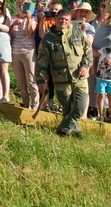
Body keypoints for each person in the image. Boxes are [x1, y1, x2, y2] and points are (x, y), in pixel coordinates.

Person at [36, 9, 92, 138]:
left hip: (80, 77)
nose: (63, 21)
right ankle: (76, 131)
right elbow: (42, 61)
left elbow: (88, 50)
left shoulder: (78, 32)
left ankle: (63, 130)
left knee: (80, 106)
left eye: (66, 19)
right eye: (60, 19)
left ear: (70, 21)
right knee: (67, 108)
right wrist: (41, 81)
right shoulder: (48, 38)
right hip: (61, 79)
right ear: (55, 19)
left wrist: (85, 66)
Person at [89, 0, 111, 118]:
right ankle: (93, 108)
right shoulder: (93, 20)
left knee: (107, 82)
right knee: (93, 81)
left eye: (107, 6)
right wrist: (91, 50)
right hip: (94, 53)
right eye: (102, 5)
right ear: (99, 7)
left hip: (107, 56)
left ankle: (107, 112)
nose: (104, 8)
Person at [10, 0, 39, 109]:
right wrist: (12, 25)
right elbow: (9, 35)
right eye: (19, 5)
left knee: (31, 79)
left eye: (24, 5)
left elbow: (29, 34)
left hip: (28, 51)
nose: (21, 7)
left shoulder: (33, 19)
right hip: (15, 52)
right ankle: (26, 103)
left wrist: (28, 19)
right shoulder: (13, 18)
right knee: (21, 81)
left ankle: (35, 104)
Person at [95, 36, 111, 123]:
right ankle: (100, 115)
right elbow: (95, 54)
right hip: (101, 77)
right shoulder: (105, 49)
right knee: (101, 95)